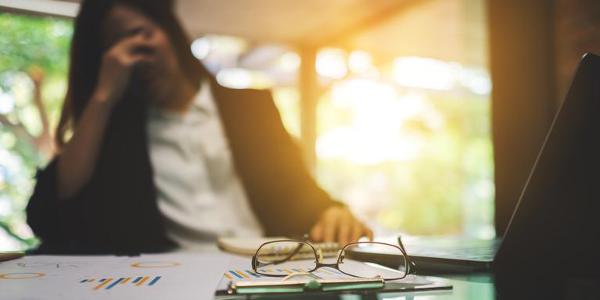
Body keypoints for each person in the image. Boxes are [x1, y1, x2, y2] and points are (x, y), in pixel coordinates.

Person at [26, 0, 371, 254]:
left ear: (170, 32)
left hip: (272, 273)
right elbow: (49, 214)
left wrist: (330, 211)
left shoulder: (250, 107)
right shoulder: (116, 136)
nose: (133, 56)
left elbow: (297, 190)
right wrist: (102, 98)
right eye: (113, 49)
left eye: (140, 34)